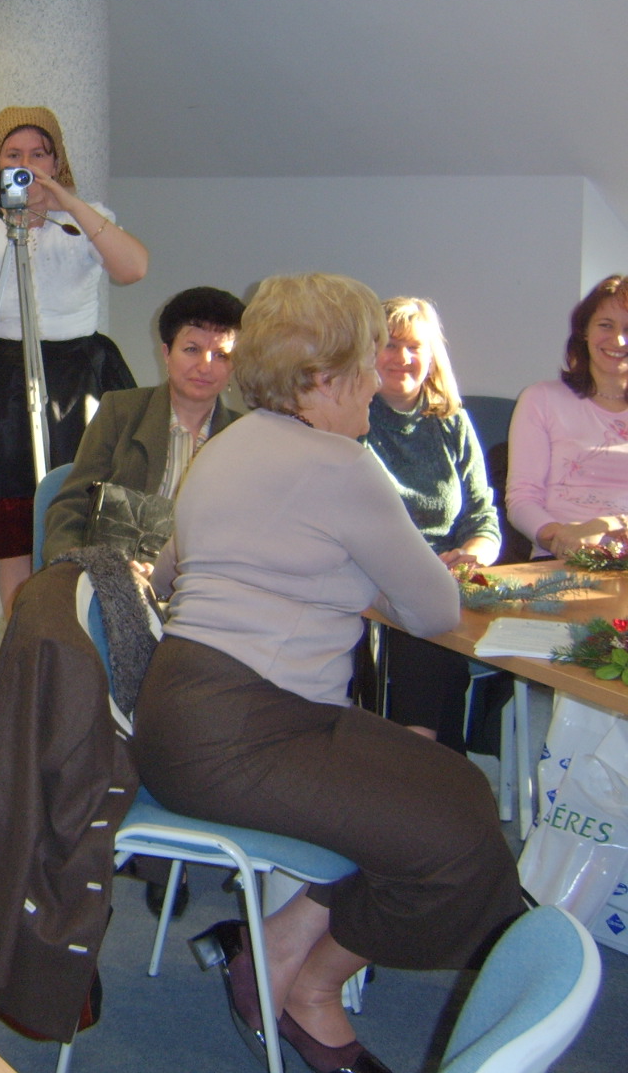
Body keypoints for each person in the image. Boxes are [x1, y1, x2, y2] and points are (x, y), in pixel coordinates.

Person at [133, 274, 520, 1073]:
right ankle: (309, 984)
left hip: (188, 713)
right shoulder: (340, 464)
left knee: (445, 788)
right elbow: (435, 610)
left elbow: (172, 574)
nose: (378, 381)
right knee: (459, 837)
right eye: (367, 363)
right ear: (323, 375)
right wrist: (364, 576)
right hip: (244, 731)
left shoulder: (229, 445)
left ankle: (273, 956)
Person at [0, 106, 149, 614]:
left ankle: (77, 630)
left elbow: (134, 268)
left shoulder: (85, 219)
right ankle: (21, 636)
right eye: (13, 156)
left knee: (87, 510)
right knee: (15, 524)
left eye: (39, 155)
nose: (27, 166)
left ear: (57, 160)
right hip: (0, 375)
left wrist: (66, 201)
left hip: (79, 374)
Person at [364, 297, 501, 749]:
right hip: (373, 573)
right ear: (368, 351)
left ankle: (425, 758)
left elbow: (483, 516)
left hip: (446, 577)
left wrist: (473, 555)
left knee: (437, 626)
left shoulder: (452, 421)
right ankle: (428, 757)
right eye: (390, 345)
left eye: (414, 347)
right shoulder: (351, 417)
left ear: (431, 356)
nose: (402, 357)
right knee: (427, 625)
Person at [43, 286, 243, 564]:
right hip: (118, 568)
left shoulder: (244, 436)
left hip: (203, 576)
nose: (205, 366)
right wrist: (83, 564)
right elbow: (72, 505)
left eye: (221, 355)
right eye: (192, 350)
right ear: (166, 353)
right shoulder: (120, 411)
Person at [507, 274, 628, 557]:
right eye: (606, 325)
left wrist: (607, 525)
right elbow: (523, 498)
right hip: (558, 558)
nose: (619, 339)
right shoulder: (541, 399)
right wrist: (562, 539)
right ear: (584, 331)